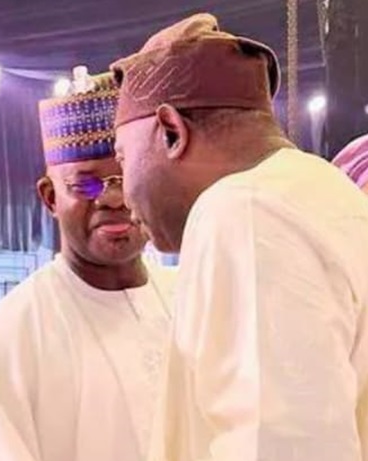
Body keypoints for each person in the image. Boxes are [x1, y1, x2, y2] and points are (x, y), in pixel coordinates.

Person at [111, 13, 368, 461]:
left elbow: (276, 447)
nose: (123, 194)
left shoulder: (244, 211)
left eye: (123, 159)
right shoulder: (327, 194)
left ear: (171, 132)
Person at [0, 70, 175, 461]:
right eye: (85, 185)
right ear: (50, 197)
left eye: (126, 179)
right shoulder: (7, 340)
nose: (112, 199)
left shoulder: (191, 298)